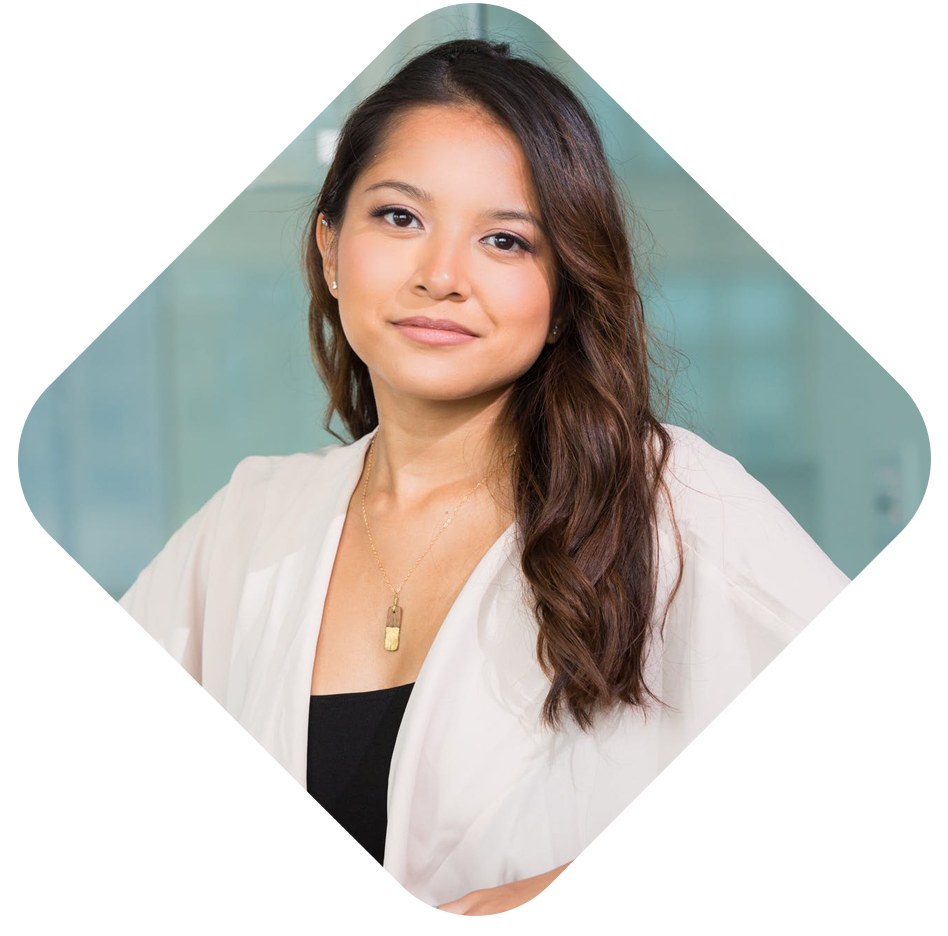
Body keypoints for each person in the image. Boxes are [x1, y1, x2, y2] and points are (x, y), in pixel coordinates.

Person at [18, 38, 931, 917]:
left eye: (505, 240)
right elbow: (64, 738)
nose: (442, 275)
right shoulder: (257, 521)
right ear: (330, 249)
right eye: (400, 218)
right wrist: (45, 823)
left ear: (564, 289)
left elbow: (911, 762)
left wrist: (597, 880)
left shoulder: (665, 501)